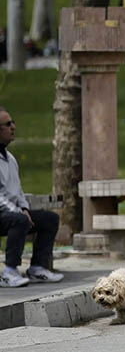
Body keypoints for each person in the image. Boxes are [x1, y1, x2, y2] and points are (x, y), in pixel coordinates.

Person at [0, 107, 63, 287]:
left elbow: (18, 190)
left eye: (13, 122)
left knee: (50, 219)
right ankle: (9, 272)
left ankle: (37, 268)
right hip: (5, 213)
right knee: (19, 220)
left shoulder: (10, 159)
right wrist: (18, 212)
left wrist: (24, 209)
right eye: (7, 124)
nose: (13, 127)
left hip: (12, 213)